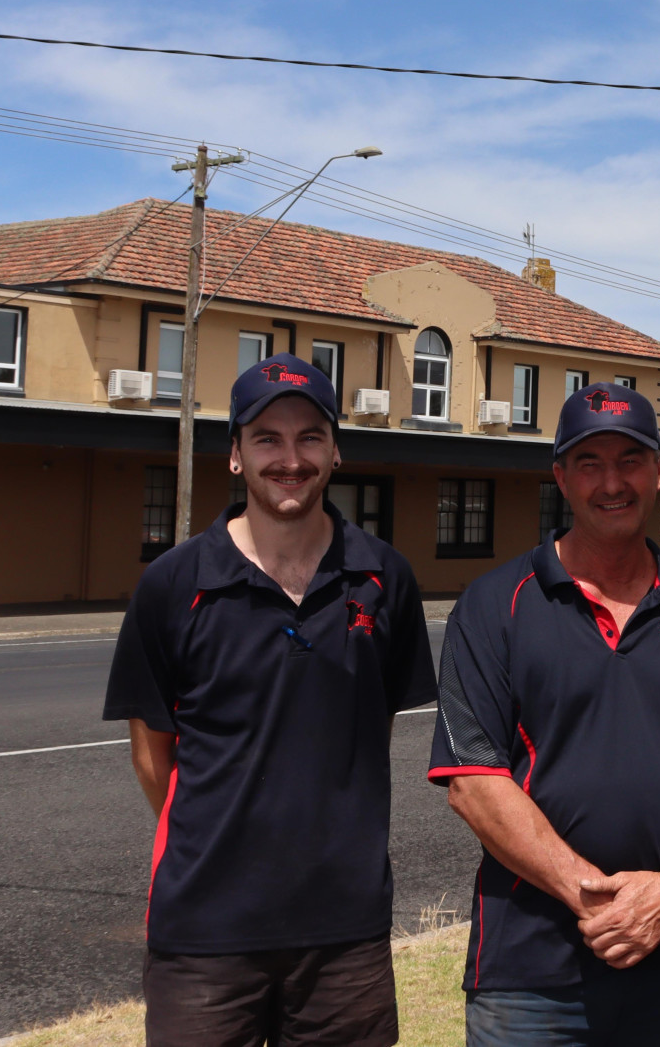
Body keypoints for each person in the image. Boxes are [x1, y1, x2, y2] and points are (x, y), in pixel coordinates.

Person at [102, 353, 437, 1047]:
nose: (291, 458)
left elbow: (372, 726)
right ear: (234, 455)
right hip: (204, 934)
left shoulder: (384, 578)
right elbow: (150, 755)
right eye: (267, 438)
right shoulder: (172, 585)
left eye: (310, 436)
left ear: (336, 449)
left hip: (346, 935)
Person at [431, 382, 660, 1047]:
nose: (613, 481)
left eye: (630, 459)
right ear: (560, 476)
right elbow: (473, 780)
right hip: (529, 973)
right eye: (590, 461)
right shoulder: (495, 606)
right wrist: (596, 899)